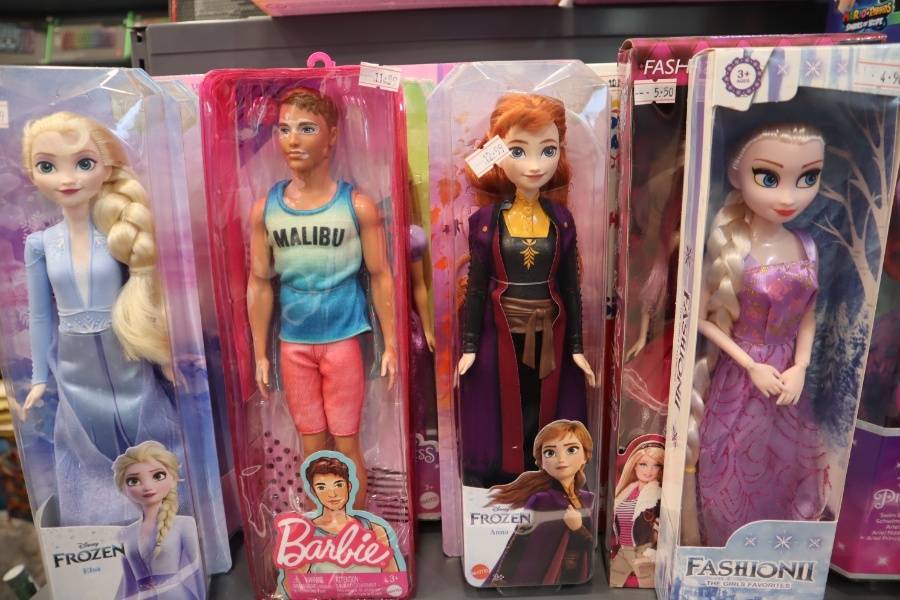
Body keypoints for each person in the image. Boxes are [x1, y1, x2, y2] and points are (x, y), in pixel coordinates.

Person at [15, 112, 179, 525]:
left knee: (144, 421)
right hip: (74, 358)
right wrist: (39, 379)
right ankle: (101, 522)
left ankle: (167, 511)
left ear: (107, 167)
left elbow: (145, 290)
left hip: (123, 344)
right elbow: (41, 315)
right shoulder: (40, 244)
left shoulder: (119, 234)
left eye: (83, 163)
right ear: (31, 173)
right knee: (87, 436)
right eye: (47, 166)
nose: (67, 178)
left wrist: (164, 355)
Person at [247, 88, 397, 509]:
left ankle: (356, 523)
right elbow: (258, 281)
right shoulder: (265, 209)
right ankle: (324, 523)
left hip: (343, 340)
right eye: (284, 129)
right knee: (312, 445)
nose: (292, 140)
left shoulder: (356, 205)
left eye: (306, 129)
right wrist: (259, 353)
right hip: (293, 344)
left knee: (347, 442)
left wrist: (391, 343)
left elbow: (381, 276)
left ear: (331, 137)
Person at [694, 123, 829, 547]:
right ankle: (725, 545)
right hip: (743, 375)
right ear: (737, 175)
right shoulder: (730, 248)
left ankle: (776, 550)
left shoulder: (807, 244)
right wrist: (750, 365)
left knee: (786, 462)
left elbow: (808, 313)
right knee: (731, 457)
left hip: (787, 378)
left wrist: (801, 367)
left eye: (807, 177)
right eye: (768, 178)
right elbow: (700, 318)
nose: (789, 197)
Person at [458, 93, 595, 487]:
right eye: (518, 151)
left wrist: (577, 348)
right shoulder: (486, 221)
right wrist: (469, 346)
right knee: (502, 403)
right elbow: (476, 288)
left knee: (544, 402)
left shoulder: (562, 219)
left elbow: (571, 287)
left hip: (550, 330)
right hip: (499, 330)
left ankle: (545, 472)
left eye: (547, 150)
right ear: (497, 152)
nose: (535, 165)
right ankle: (505, 474)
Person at [484, 419, 594, 587]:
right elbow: (519, 542)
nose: (561, 459)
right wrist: (500, 579)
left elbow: (591, 545)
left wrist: (578, 529)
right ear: (541, 461)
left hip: (578, 577)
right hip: (545, 578)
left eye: (571, 450)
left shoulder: (587, 498)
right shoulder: (542, 500)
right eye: (550, 452)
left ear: (585, 456)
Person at [113, 441, 203, 599]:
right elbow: (129, 582)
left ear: (173, 479)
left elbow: (197, 568)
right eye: (133, 481)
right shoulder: (124, 534)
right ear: (123, 488)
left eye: (158, 476)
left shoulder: (184, 524)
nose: (147, 486)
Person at [295, 454, 400, 574]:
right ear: (313, 491)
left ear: (349, 486)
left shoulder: (374, 529)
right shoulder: (305, 533)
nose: (332, 494)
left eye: (338, 485)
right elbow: (292, 582)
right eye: (321, 487)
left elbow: (393, 577)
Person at [610, 439, 664, 587]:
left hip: (644, 550)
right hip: (624, 549)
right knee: (614, 582)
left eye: (656, 465)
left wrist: (653, 552)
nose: (649, 470)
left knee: (647, 586)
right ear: (634, 465)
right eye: (643, 464)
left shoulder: (658, 496)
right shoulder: (626, 492)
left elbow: (664, 530)